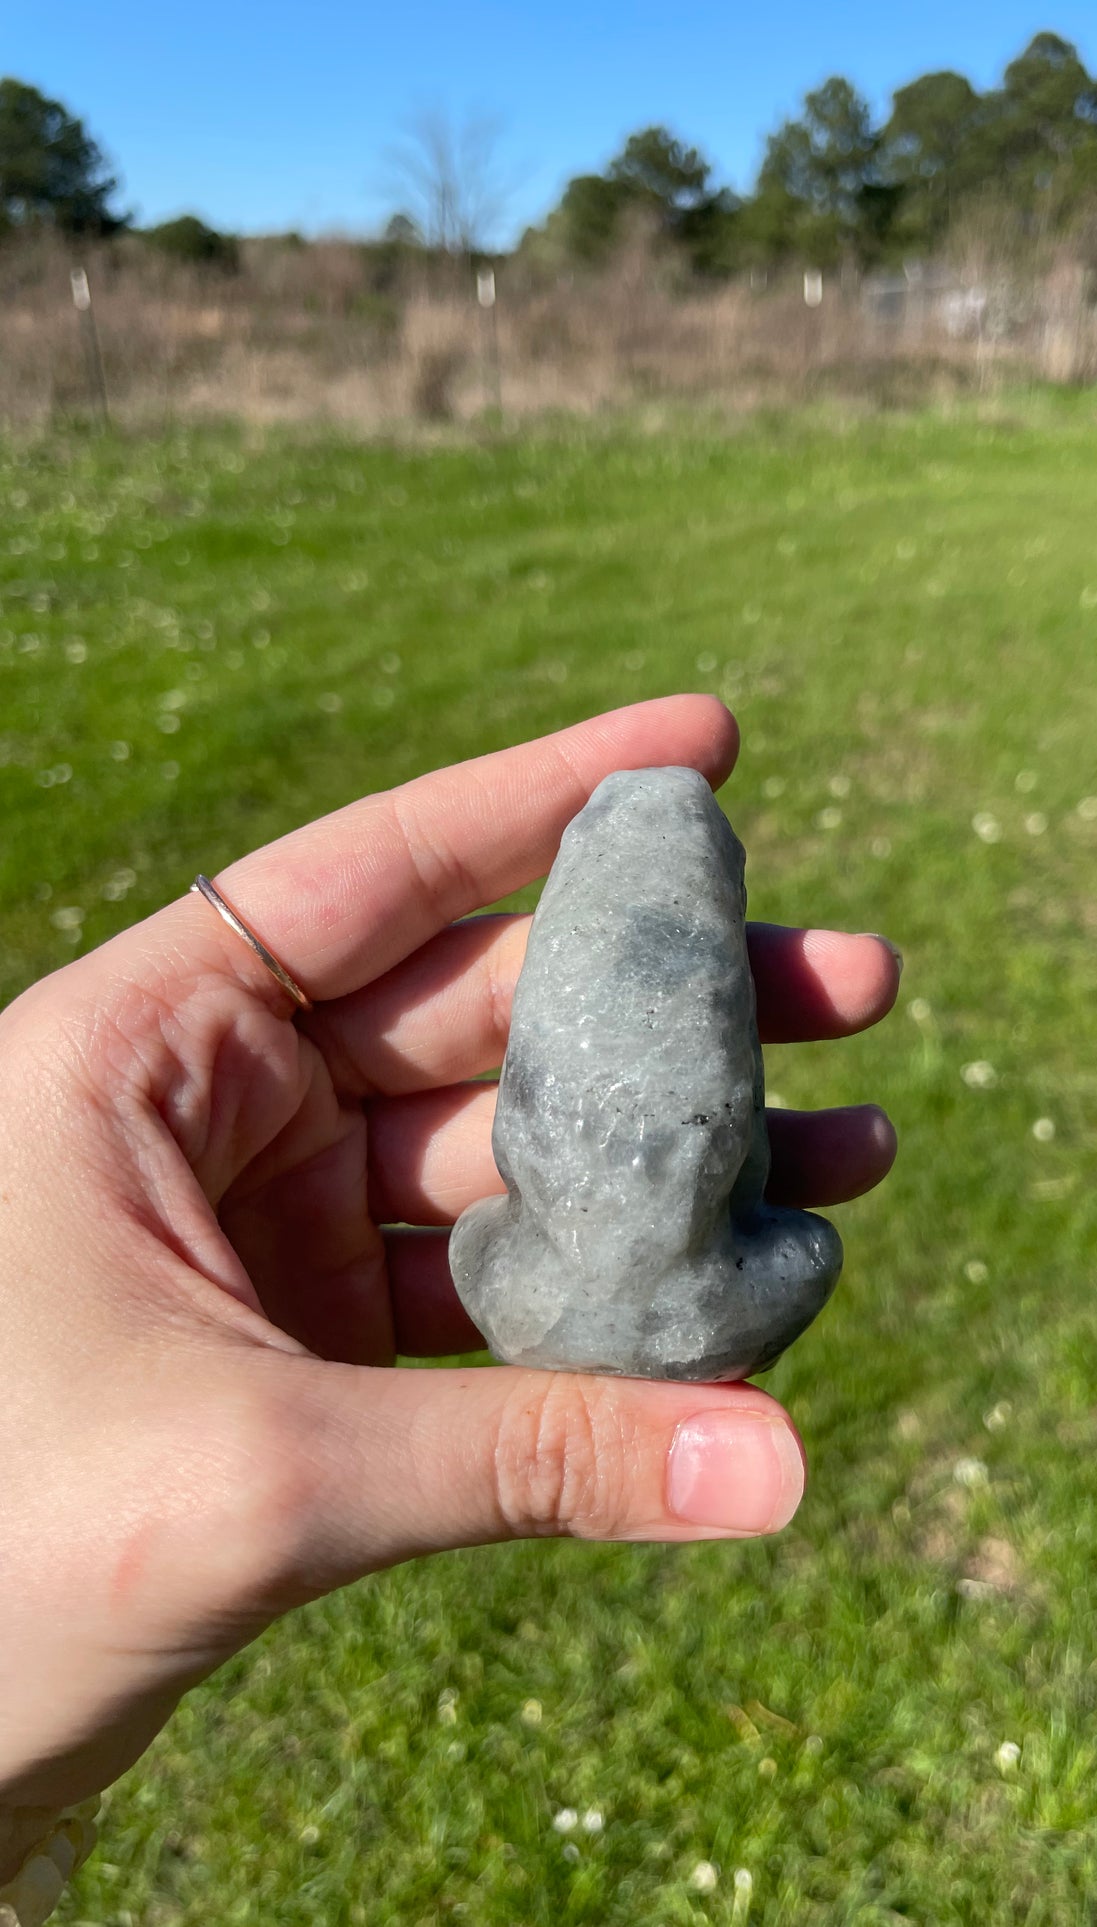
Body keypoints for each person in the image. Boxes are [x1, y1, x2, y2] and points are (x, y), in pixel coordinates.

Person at [0, 697, 899, 1920]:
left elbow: (525, 1190)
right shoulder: (668, 913)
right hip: (668, 1292)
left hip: (567, 1284)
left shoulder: (595, 955)